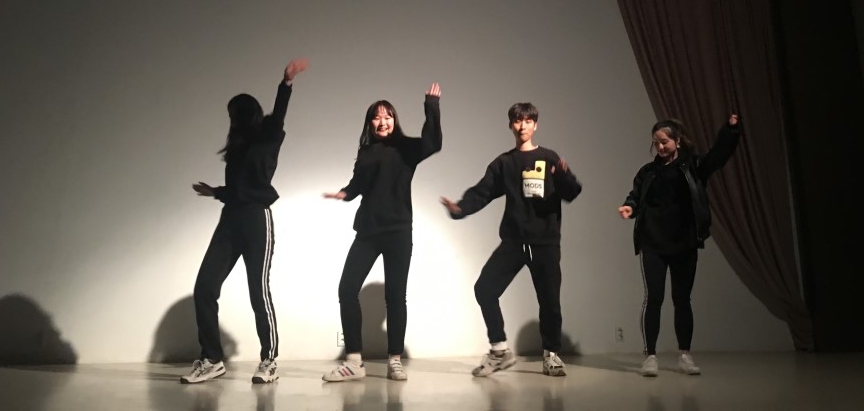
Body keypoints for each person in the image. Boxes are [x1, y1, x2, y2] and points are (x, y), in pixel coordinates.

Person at [181, 58, 308, 384]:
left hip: (256, 220)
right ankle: (212, 359)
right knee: (204, 288)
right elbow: (238, 188)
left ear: (247, 114)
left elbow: (278, 116)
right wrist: (215, 192)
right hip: (230, 220)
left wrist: (286, 83)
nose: (232, 120)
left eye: (235, 114)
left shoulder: (267, 137)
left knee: (258, 292)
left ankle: (269, 360)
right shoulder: (236, 149)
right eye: (230, 116)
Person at [441, 102, 581, 378]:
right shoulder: (504, 163)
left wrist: (564, 177)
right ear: (510, 125)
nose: (522, 126)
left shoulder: (549, 158)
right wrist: (460, 208)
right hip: (514, 242)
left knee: (549, 301)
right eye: (517, 121)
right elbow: (483, 192)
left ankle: (551, 355)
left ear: (535, 125)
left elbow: (572, 192)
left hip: (545, 242)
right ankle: (499, 351)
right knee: (485, 289)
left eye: (528, 121)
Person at [322, 84, 442, 382]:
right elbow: (358, 183)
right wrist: (344, 193)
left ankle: (395, 361)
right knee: (347, 289)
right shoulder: (365, 152)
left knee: (395, 296)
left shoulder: (406, 148)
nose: (383, 121)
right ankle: (353, 362)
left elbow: (433, 143)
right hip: (368, 231)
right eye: (376, 117)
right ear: (370, 123)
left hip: (398, 232)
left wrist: (431, 106)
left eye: (388, 116)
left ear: (394, 120)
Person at [618, 113, 741, 377]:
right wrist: (629, 207)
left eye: (664, 142)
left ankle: (685, 355)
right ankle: (650, 356)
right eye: (656, 143)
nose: (660, 147)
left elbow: (718, 156)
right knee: (653, 298)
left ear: (677, 140)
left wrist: (730, 131)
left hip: (684, 243)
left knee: (682, 299)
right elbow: (636, 196)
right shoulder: (648, 172)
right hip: (653, 243)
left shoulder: (693, 167)